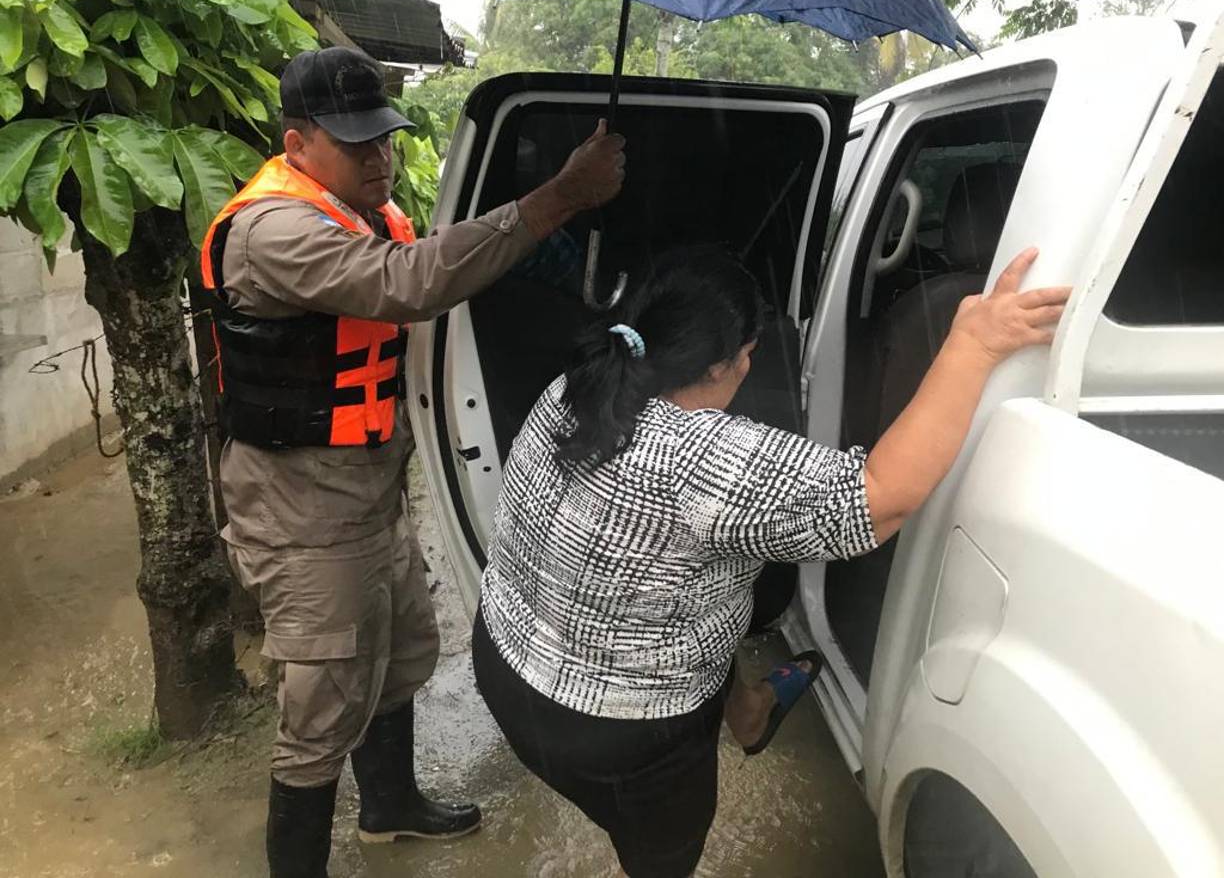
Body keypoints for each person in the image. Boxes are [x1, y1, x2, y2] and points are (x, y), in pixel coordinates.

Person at [471, 244, 1070, 877]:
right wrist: (972, 347)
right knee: (661, 860)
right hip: (618, 735)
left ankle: (750, 710)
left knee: (697, 594)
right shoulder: (707, 458)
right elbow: (881, 500)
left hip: (504, 661)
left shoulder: (572, 385)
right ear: (734, 361)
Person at [199, 46, 625, 878]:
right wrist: (562, 193)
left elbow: (446, 264)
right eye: (354, 142)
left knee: (395, 654)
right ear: (297, 145)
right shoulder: (275, 231)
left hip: (367, 484)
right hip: (301, 504)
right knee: (322, 698)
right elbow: (413, 283)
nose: (378, 156)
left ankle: (389, 809)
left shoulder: (357, 215)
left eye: (384, 137)